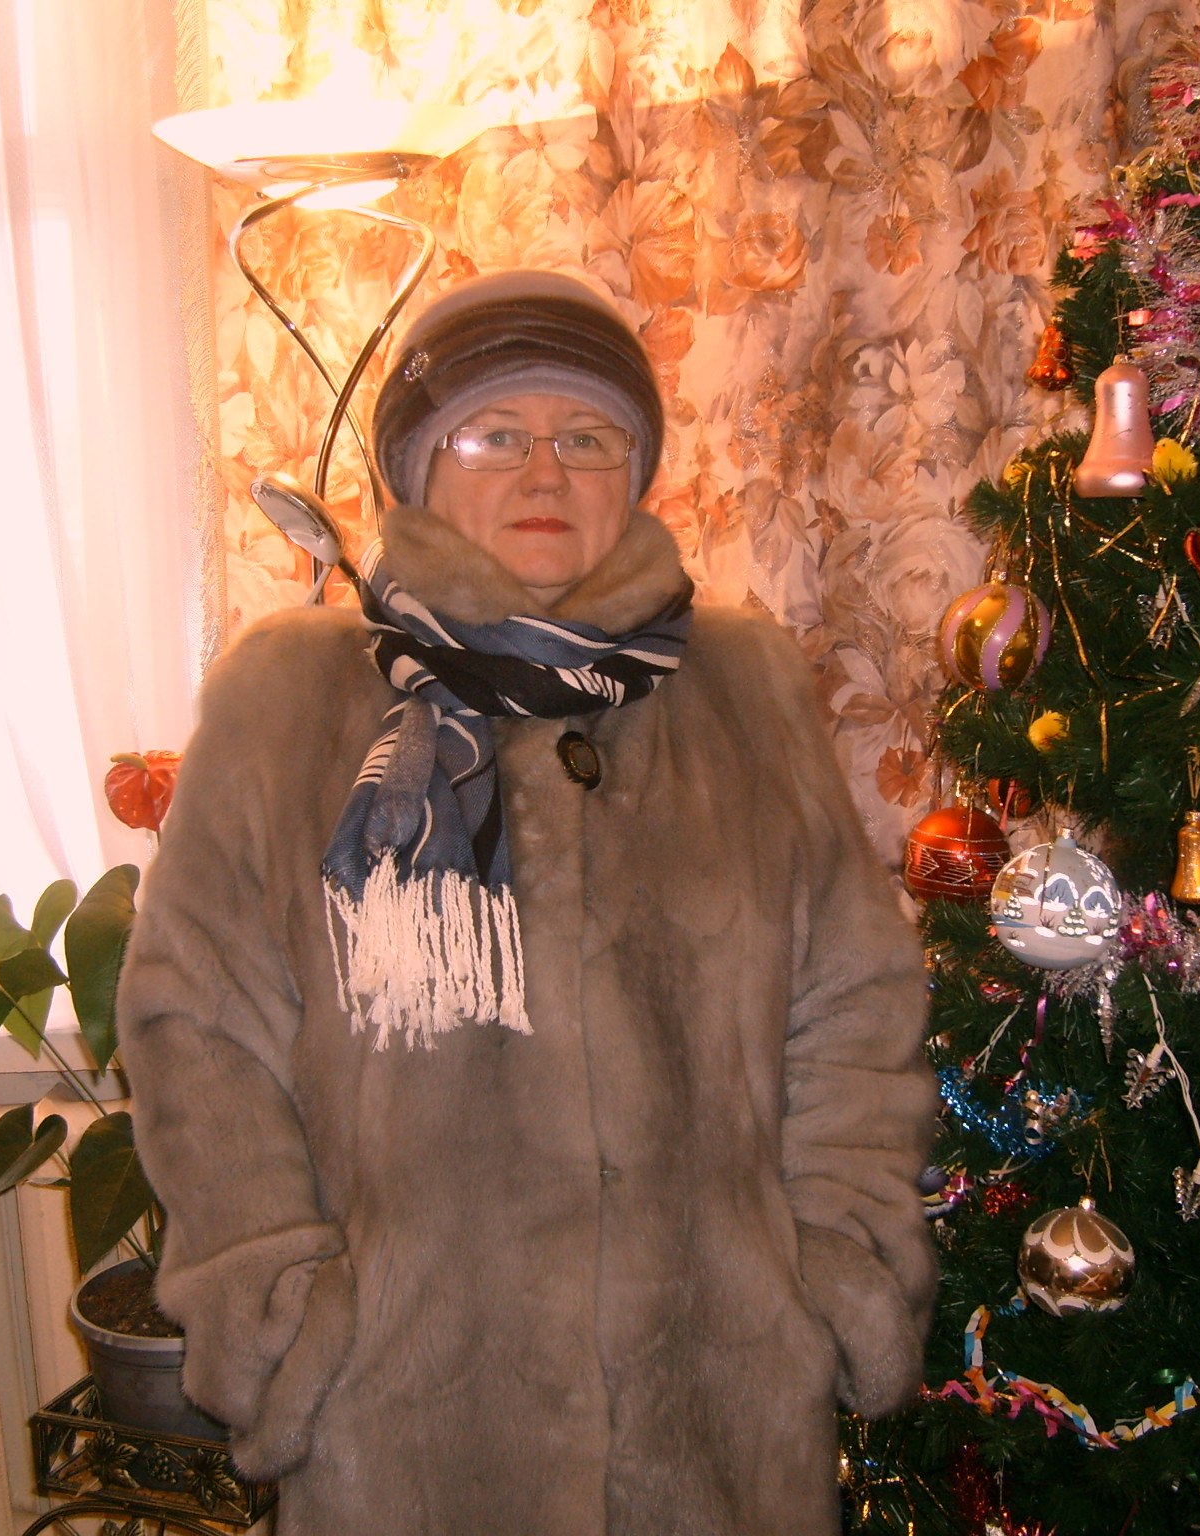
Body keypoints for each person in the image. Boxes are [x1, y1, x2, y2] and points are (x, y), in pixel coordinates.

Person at [118, 270, 937, 1536]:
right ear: (415, 466)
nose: (543, 474)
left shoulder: (745, 689)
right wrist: (278, 1308)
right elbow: (197, 1031)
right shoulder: (289, 703)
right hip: (402, 1427)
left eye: (586, 438)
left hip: (719, 1420)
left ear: (636, 470)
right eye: (493, 435)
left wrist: (835, 1268)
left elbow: (854, 1007)